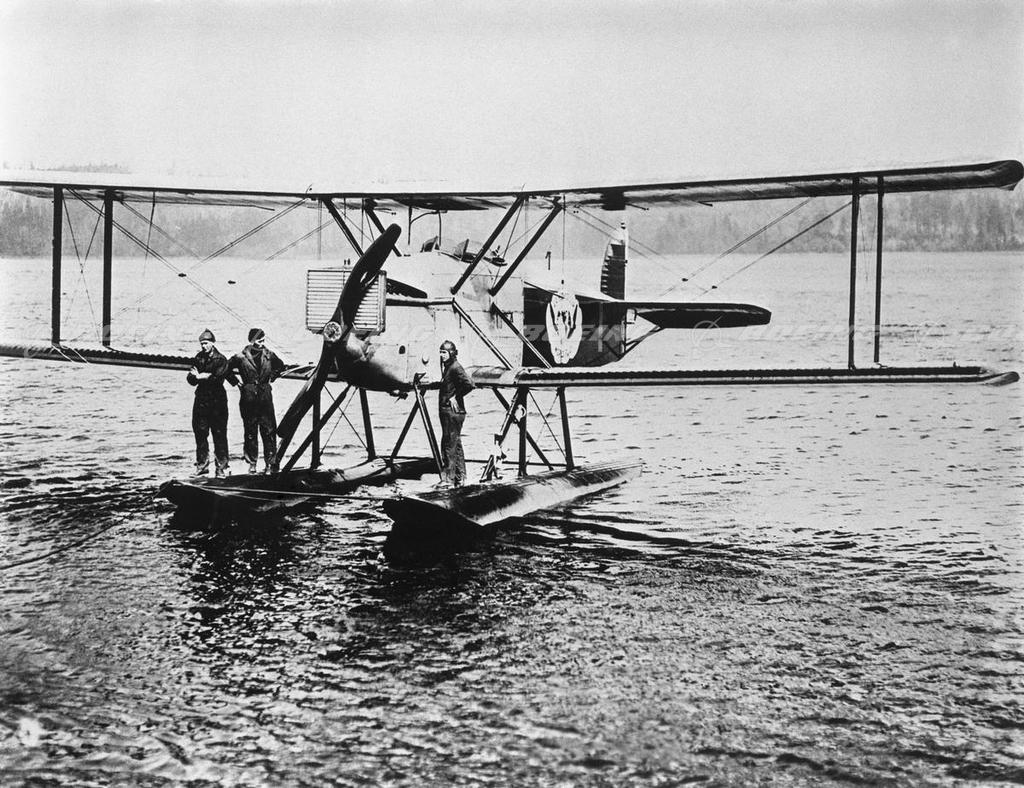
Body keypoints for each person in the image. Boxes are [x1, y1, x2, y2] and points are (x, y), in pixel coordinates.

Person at [229, 328, 286, 474]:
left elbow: (281, 366)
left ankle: (270, 464)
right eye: (259, 340)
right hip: (248, 398)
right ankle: (252, 463)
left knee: (269, 430)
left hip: (265, 397)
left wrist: (272, 377)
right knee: (250, 431)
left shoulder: (269, 355)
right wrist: (237, 383)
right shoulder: (240, 357)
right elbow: (225, 369)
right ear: (252, 341)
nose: (262, 343)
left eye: (263, 340)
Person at [187, 328, 233, 477]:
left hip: (217, 402)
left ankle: (221, 468)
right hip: (201, 401)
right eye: (202, 343)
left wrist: (199, 376)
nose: (204, 346)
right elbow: (190, 379)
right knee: (200, 434)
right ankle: (202, 467)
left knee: (219, 434)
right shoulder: (198, 358)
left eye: (206, 343)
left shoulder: (221, 360)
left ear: (213, 343)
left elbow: (217, 379)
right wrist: (201, 376)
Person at [437, 339, 475, 487]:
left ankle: (448, 479)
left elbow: (469, 384)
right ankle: (460, 477)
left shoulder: (455, 367)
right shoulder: (448, 367)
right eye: (440, 352)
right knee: (455, 443)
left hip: (452, 412)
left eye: (444, 352)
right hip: (449, 412)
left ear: (451, 353)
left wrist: (455, 396)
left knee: (448, 444)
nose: (442, 355)